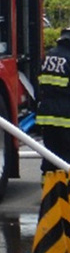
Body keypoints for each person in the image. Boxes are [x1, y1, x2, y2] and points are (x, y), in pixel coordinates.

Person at [36, 27, 70, 172]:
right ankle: (65, 191)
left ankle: (49, 190)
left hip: (46, 115)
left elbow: (38, 82)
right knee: (66, 156)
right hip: (65, 116)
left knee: (50, 156)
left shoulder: (49, 56)